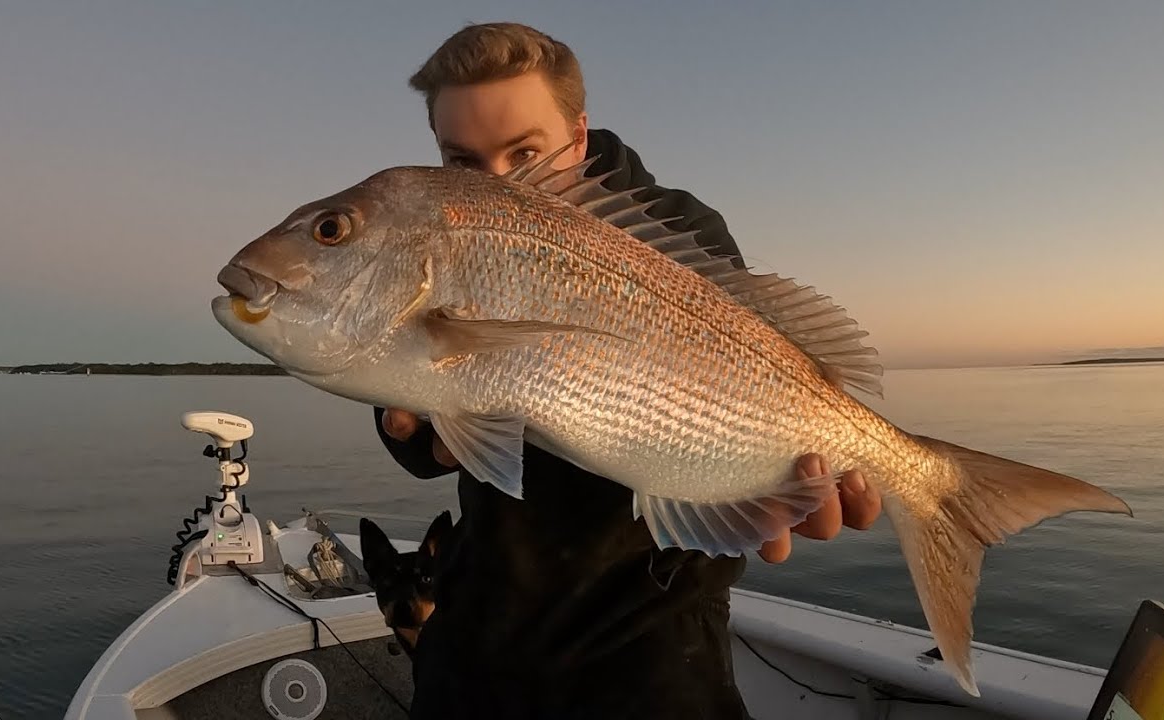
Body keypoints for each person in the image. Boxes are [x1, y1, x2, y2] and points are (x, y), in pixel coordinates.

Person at [372, 22, 882, 719]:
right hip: (486, 618)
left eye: (525, 151)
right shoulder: (438, 237)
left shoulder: (676, 227)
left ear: (579, 135)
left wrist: (764, 483)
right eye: (462, 161)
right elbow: (412, 423)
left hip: (653, 632)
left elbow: (729, 389)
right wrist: (413, 429)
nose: (491, 188)